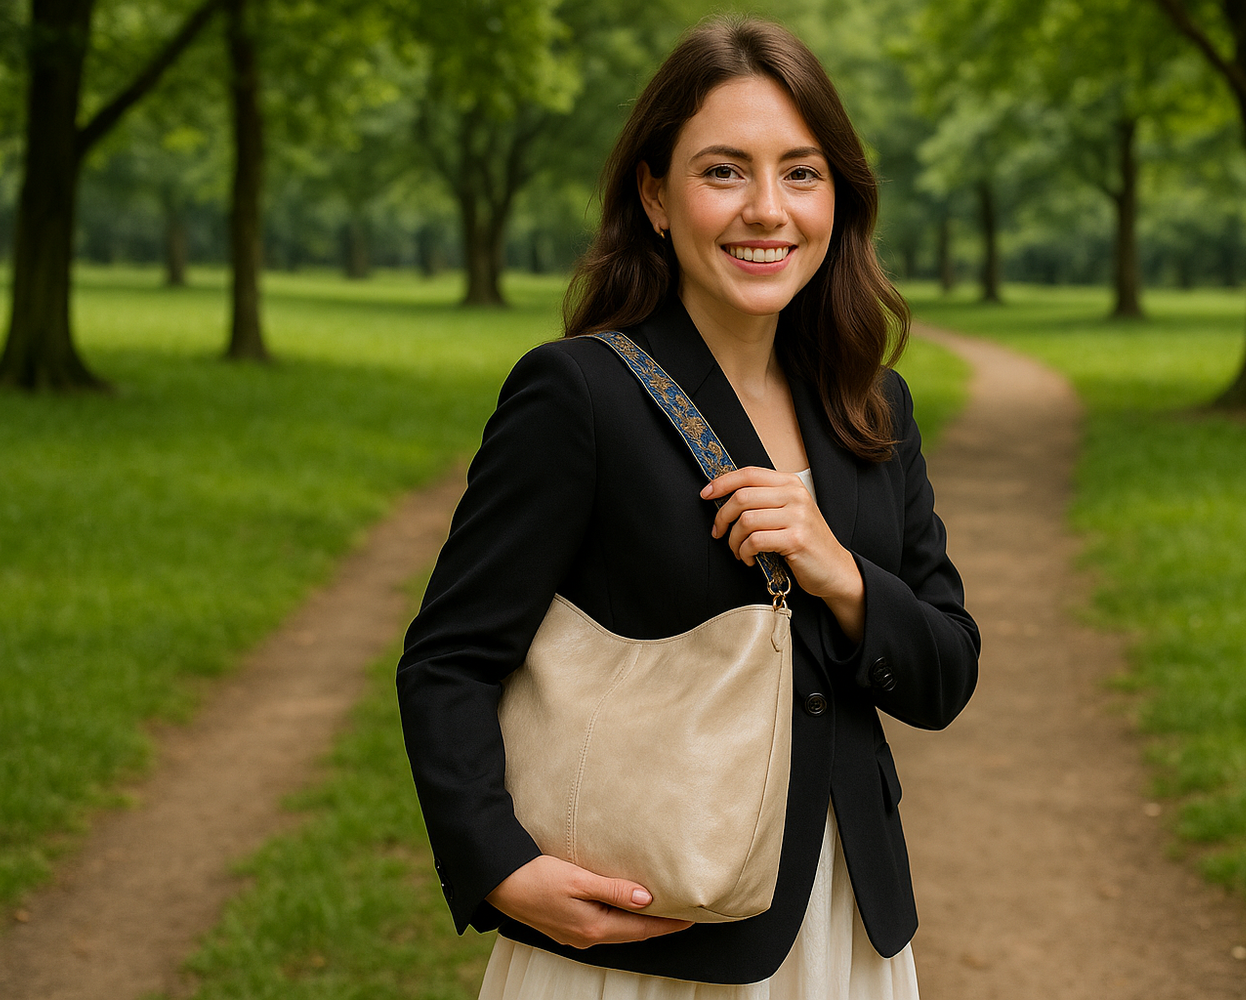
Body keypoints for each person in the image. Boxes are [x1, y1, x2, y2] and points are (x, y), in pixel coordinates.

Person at [396, 16, 981, 998]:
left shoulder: (872, 406)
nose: (767, 210)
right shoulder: (579, 395)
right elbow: (449, 659)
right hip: (649, 937)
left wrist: (840, 574)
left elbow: (945, 672)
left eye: (801, 173)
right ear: (655, 196)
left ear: (839, 196)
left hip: (845, 922)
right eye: (723, 172)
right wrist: (499, 863)